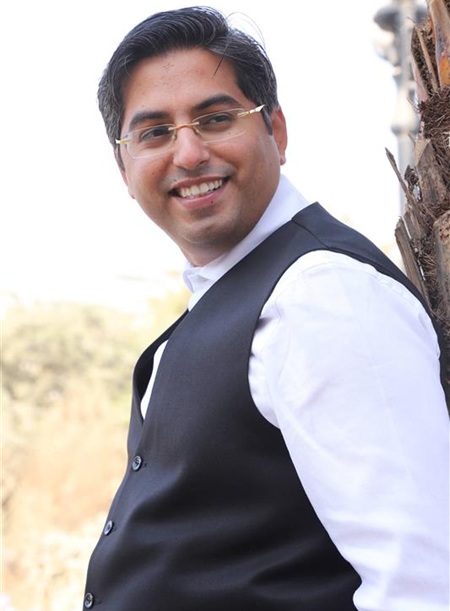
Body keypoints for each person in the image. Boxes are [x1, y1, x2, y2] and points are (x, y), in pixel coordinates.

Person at [82, 6, 449, 610]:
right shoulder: (242, 292)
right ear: (124, 166)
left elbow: (423, 582)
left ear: (276, 131)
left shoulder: (324, 295)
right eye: (154, 133)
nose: (188, 153)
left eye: (215, 118)